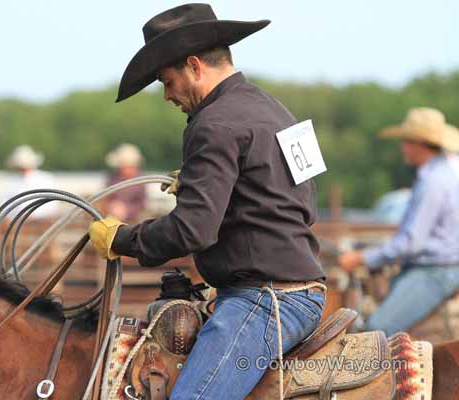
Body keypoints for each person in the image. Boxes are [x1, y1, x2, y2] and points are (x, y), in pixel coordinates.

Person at [88, 4, 326, 399]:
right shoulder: (277, 110)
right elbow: (302, 204)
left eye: (167, 81)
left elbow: (191, 230)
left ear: (195, 66)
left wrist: (122, 240)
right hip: (299, 289)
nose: (166, 95)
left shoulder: (213, 124)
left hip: (264, 301)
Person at [339, 107, 459, 336]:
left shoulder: (433, 181)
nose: (402, 146)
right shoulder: (440, 174)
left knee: (376, 330)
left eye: (405, 140)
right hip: (435, 266)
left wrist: (362, 257)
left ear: (419, 144)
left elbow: (411, 243)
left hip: (436, 270)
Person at [3, 145, 57, 219]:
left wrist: (33, 216)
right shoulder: (11, 181)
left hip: (41, 222)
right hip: (17, 223)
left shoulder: (45, 179)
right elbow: (6, 205)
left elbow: (52, 206)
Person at [103, 143, 147, 223]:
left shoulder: (141, 181)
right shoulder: (113, 178)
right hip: (111, 220)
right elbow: (106, 198)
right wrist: (111, 207)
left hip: (133, 222)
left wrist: (126, 210)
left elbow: (142, 204)